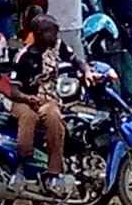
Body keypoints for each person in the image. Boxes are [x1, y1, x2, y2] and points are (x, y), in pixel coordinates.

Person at [8, 15, 93, 194]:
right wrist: (28, 99)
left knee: (54, 117)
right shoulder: (23, 57)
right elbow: (13, 92)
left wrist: (86, 72)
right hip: (24, 101)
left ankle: (54, 172)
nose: (55, 36)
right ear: (39, 34)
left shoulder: (58, 46)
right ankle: (21, 167)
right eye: (51, 33)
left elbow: (77, 61)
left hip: (48, 100)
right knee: (29, 117)